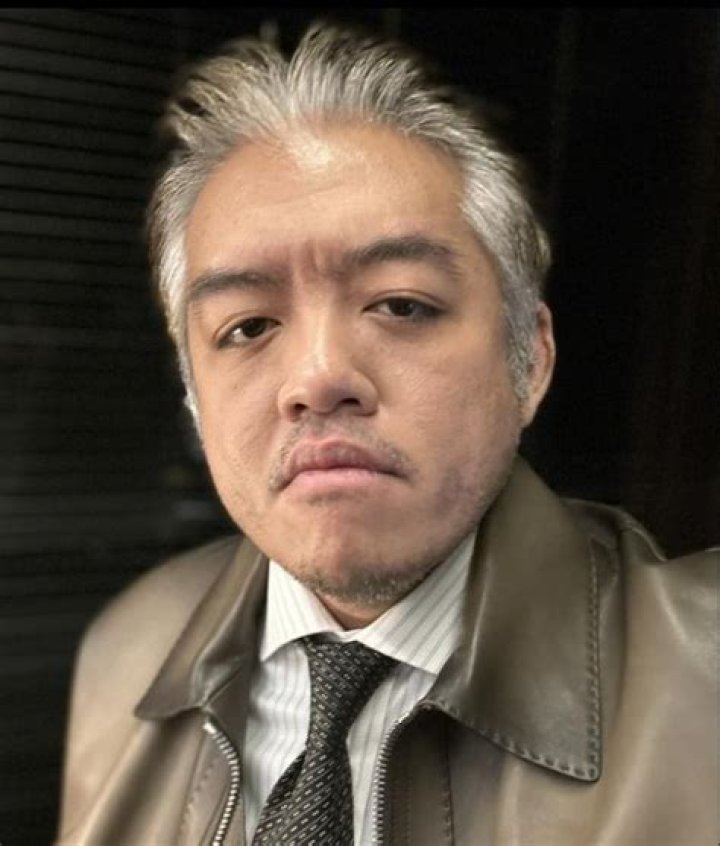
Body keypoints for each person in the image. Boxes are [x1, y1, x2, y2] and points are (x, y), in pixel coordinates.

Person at [57, 24, 716, 846]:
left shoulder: (702, 680)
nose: (317, 377)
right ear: (195, 397)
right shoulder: (128, 650)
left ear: (530, 359)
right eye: (249, 326)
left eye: (402, 305)